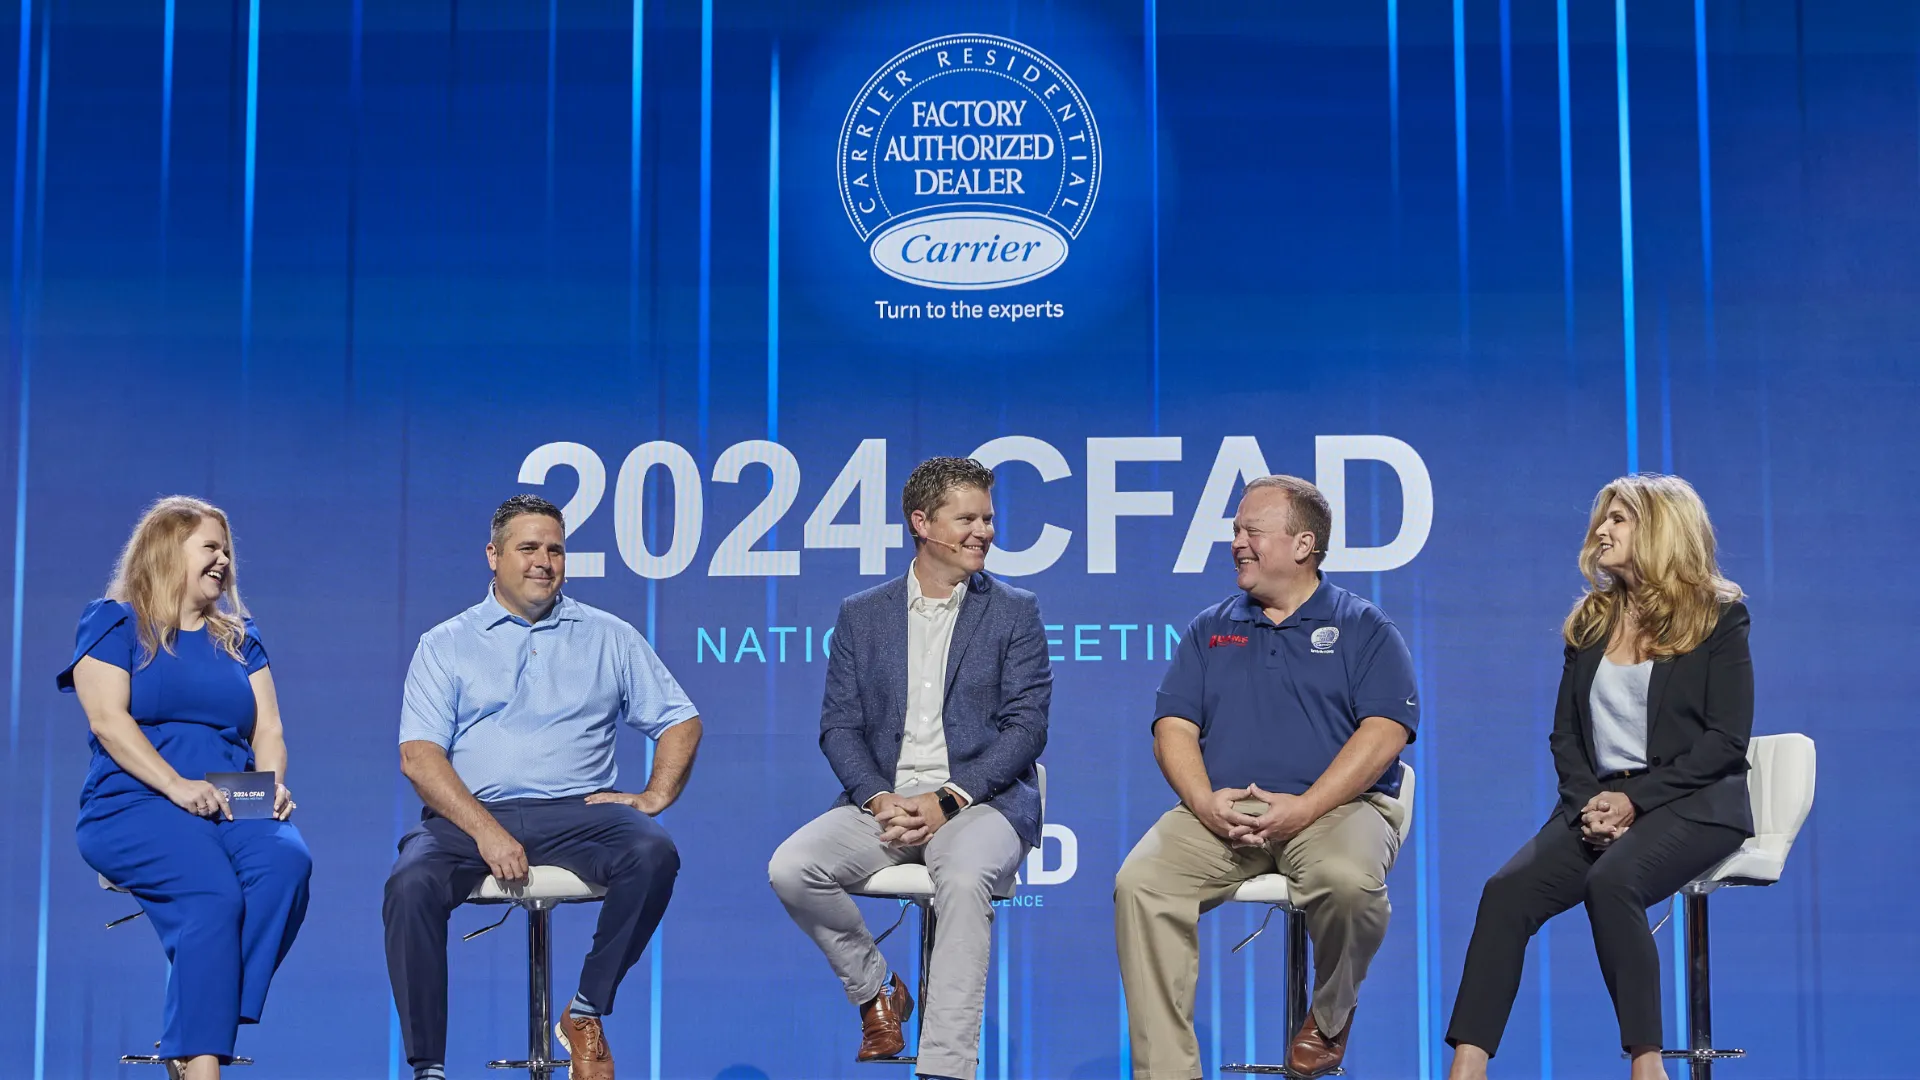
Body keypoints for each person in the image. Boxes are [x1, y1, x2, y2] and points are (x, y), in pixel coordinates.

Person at [1445, 474, 1753, 1080]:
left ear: (1660, 530)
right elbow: (1565, 735)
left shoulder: (1719, 617)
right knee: (1505, 893)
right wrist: (1591, 803)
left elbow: (1725, 742)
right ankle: (1467, 1066)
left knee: (1613, 881)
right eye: (1603, 518)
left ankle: (1647, 1064)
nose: (1602, 530)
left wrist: (1632, 800)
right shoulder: (1591, 622)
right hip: (1603, 802)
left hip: (1694, 801)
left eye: (1619, 519)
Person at [383, 494, 700, 1080]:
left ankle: (585, 1012)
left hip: (579, 812)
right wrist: (487, 832)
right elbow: (419, 758)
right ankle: (428, 1066)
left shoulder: (608, 635)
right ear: (493, 555)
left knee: (653, 849)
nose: (543, 562)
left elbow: (680, 720)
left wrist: (654, 796)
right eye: (528, 548)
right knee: (410, 883)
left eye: (555, 550)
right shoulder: (446, 642)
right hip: (470, 817)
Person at [1114, 475, 1417, 1080]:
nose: (1236, 543)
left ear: (1303, 545)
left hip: (1337, 810)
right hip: (1223, 814)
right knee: (1141, 883)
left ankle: (1329, 1017)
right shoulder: (1209, 628)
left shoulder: (1365, 627)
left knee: (1348, 884)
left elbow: (1385, 732)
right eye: (1235, 531)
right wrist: (1204, 802)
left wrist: (1305, 808)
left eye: (1251, 530)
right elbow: (1172, 727)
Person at [767, 456, 1051, 1080]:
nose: (984, 532)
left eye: (988, 519)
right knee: (792, 867)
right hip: (886, 803)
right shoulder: (862, 613)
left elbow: (1026, 729)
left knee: (964, 878)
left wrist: (948, 799)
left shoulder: (1014, 610)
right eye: (967, 519)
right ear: (922, 523)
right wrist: (877, 797)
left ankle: (945, 1066)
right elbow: (839, 727)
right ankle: (877, 991)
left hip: (981, 800)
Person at [60, 497, 311, 1080]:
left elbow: (269, 729)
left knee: (286, 864)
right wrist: (175, 785)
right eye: (210, 547)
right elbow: (107, 720)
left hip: (231, 791)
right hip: (136, 796)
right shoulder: (115, 622)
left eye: (227, 550)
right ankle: (199, 1060)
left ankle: (200, 1015)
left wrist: (271, 786)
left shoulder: (240, 638)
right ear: (167, 552)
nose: (223, 560)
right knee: (213, 897)